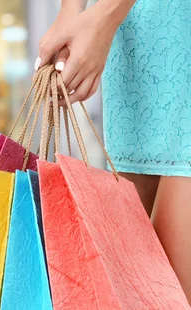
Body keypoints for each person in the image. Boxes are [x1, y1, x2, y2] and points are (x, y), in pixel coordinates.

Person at [37, 0, 191, 302]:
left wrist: (105, 16)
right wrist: (71, 12)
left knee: (170, 290)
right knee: (130, 289)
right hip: (136, 40)